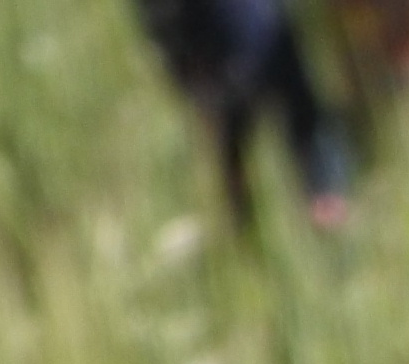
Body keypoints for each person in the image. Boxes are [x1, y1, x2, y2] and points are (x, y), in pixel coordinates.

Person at [130, 0, 355, 229]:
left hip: (232, 49)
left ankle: (320, 206)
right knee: (244, 150)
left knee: (245, 149)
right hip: (234, 46)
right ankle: (318, 209)